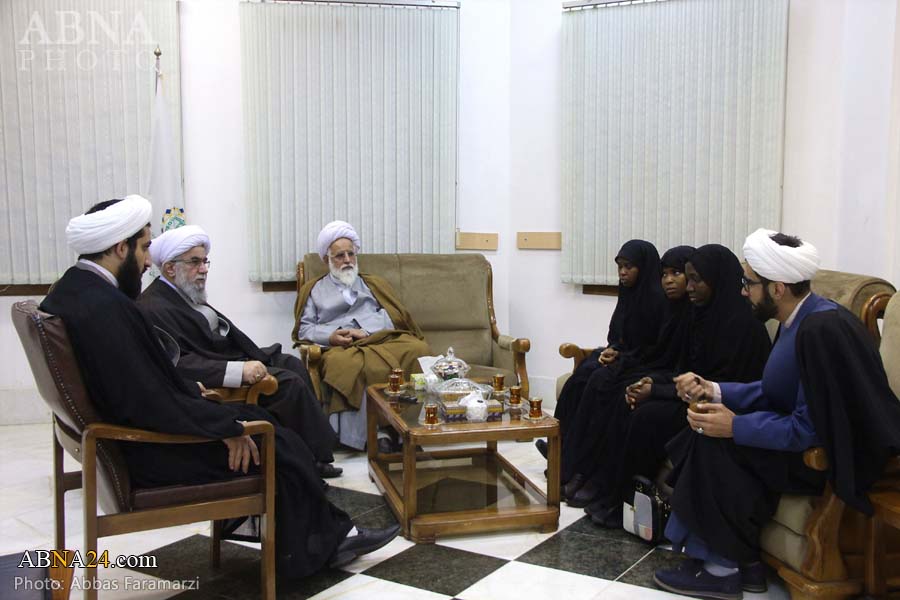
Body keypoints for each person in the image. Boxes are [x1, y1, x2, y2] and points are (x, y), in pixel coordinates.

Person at [42, 196, 399, 578]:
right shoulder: (106, 308)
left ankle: (323, 535)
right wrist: (222, 427)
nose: (148, 262)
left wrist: (199, 398)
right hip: (148, 453)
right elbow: (144, 400)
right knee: (276, 442)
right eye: (145, 247)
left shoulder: (72, 292)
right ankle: (312, 551)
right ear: (119, 248)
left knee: (264, 423)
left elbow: (141, 382)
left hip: (130, 439)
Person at [653, 229, 900, 600]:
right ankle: (735, 559)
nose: (742, 291)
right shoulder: (798, 319)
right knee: (702, 431)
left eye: (749, 283)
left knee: (715, 444)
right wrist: (714, 389)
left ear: (778, 288)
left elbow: (808, 429)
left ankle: (725, 568)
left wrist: (735, 426)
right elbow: (773, 389)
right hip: (796, 443)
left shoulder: (820, 330)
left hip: (825, 459)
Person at [570, 245, 771, 517]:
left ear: (718, 279)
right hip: (689, 396)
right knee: (624, 396)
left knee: (646, 416)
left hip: (719, 406)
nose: (689, 287)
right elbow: (680, 368)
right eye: (688, 279)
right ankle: (599, 480)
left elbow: (718, 385)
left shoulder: (744, 327)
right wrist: (651, 384)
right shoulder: (700, 316)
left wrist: (658, 391)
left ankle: (623, 502)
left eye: (696, 280)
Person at [138, 225, 342, 479]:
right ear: (170, 268)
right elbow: (178, 363)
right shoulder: (153, 307)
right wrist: (239, 370)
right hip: (222, 375)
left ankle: (314, 452)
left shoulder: (181, 293)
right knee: (288, 386)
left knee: (291, 363)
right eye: (195, 262)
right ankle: (310, 461)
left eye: (204, 262)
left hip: (234, 357)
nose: (203, 270)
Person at [292, 221, 430, 451]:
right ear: (327, 260)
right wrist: (332, 336)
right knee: (348, 365)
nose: (347, 260)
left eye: (351, 254)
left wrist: (364, 330)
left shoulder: (373, 284)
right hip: (341, 347)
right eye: (339, 256)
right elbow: (305, 329)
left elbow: (392, 316)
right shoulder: (313, 290)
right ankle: (371, 433)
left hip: (377, 338)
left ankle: (410, 428)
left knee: (418, 349)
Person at [549, 240, 668, 461]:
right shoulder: (628, 294)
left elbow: (656, 348)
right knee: (583, 373)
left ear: (644, 267)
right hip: (625, 356)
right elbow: (618, 335)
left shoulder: (658, 301)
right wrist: (612, 349)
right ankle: (559, 446)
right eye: (619, 267)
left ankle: (578, 455)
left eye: (628, 267)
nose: (622, 273)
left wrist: (621, 355)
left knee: (599, 378)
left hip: (644, 363)